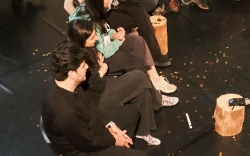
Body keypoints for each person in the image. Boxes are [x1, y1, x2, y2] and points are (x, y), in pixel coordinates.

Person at [41, 41, 150, 156]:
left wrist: (110, 124)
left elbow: (89, 106)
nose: (87, 67)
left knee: (131, 113)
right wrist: (114, 139)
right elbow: (87, 143)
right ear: (72, 74)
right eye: (82, 66)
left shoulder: (63, 81)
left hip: (89, 127)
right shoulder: (65, 112)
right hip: (82, 153)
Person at [66, 18, 176, 147]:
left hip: (101, 85)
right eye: (92, 38)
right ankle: (158, 99)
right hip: (96, 98)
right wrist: (102, 69)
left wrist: (101, 67)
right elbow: (93, 84)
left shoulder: (88, 49)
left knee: (143, 91)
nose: (96, 39)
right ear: (81, 40)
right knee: (139, 77)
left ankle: (142, 132)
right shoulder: (77, 59)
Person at [70, 0, 176, 94]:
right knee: (132, 60)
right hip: (98, 57)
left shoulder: (95, 9)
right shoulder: (87, 23)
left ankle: (155, 79)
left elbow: (103, 30)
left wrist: (113, 34)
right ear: (98, 1)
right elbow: (101, 51)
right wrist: (117, 42)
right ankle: (151, 90)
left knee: (138, 41)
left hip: (106, 44)